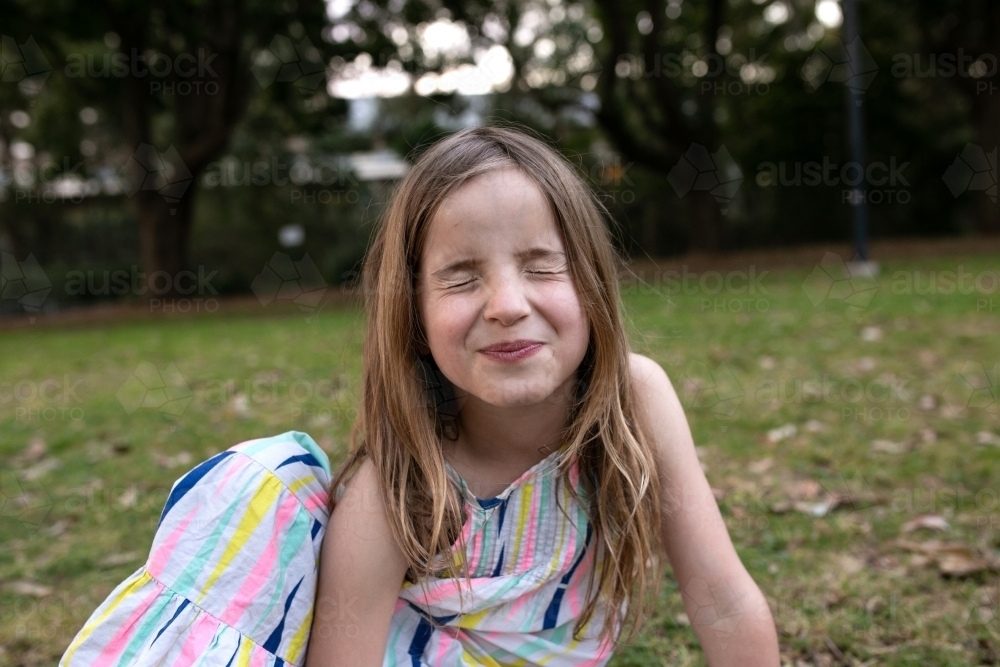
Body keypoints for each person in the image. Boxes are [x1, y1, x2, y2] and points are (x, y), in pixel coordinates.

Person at [61, 125, 780, 666]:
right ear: (414, 313)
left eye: (540, 266)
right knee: (267, 489)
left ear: (592, 282)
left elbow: (721, 598)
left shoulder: (637, 399)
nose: (506, 303)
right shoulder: (397, 482)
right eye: (462, 277)